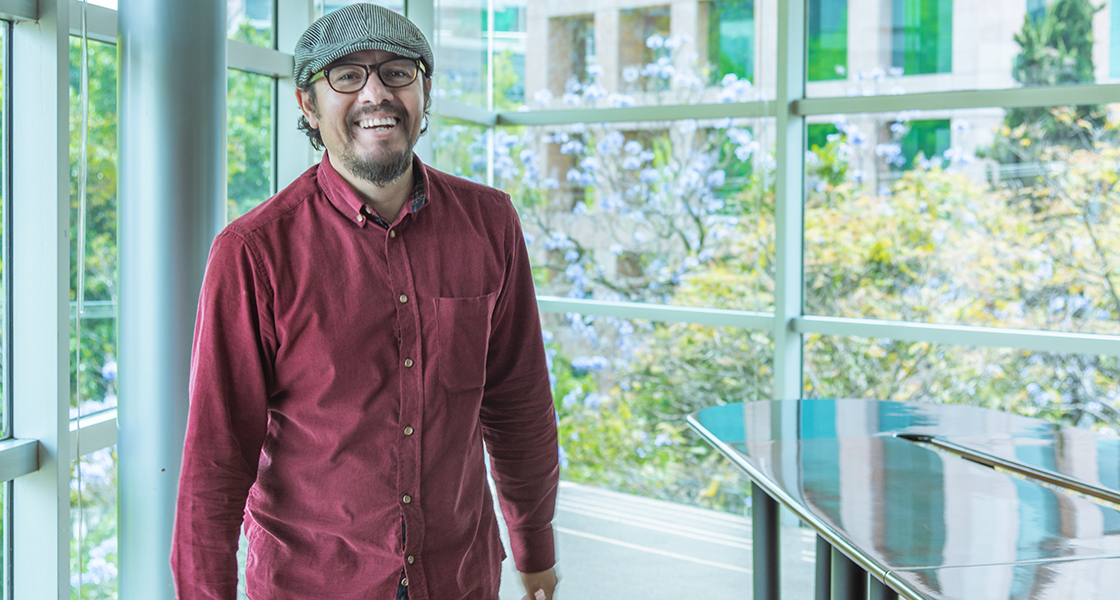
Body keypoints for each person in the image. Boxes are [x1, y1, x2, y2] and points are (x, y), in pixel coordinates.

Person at [170, 4, 560, 599]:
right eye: (347, 76)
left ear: (424, 91)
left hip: (459, 579)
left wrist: (535, 546)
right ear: (308, 104)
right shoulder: (252, 252)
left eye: (398, 73)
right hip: (311, 584)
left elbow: (518, 401)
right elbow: (215, 464)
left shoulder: (491, 223)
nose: (377, 93)